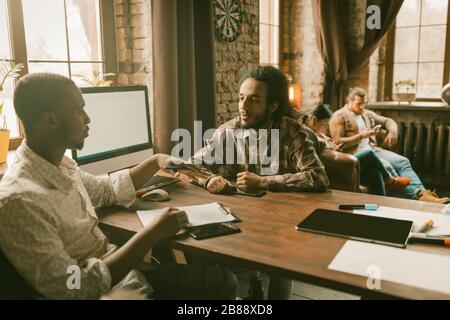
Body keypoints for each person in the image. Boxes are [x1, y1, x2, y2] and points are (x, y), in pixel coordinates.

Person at [0, 73, 238, 300]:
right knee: (224, 282)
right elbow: (73, 289)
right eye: (78, 110)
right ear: (50, 120)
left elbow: (104, 190)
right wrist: (151, 235)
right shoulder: (20, 200)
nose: (87, 118)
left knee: (219, 277)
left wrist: (156, 161)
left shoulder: (58, 163)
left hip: (122, 273)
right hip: (109, 291)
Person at [182, 65, 330, 300]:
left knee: (282, 267)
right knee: (198, 249)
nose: (243, 106)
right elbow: (189, 165)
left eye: (253, 100)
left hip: (281, 222)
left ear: (272, 106)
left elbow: (318, 177)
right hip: (238, 216)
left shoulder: (292, 131)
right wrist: (208, 178)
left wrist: (264, 182)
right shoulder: (228, 131)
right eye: (241, 98)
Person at [329, 87, 449, 203]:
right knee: (386, 165)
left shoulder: (366, 113)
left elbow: (388, 121)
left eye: (364, 103)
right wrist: (361, 136)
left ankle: (424, 193)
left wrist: (393, 131)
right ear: (350, 101)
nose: (362, 107)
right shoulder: (339, 116)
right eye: (359, 103)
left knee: (403, 161)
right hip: (356, 154)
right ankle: (417, 194)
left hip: (373, 149)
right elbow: (338, 142)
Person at [304, 104, 410, 196]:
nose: (326, 127)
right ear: (313, 120)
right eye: (324, 124)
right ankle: (390, 180)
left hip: (338, 163)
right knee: (368, 154)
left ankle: (380, 208)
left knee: (376, 174)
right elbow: (321, 152)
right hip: (335, 167)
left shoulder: (320, 134)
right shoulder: (310, 136)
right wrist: (330, 148)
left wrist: (334, 148)